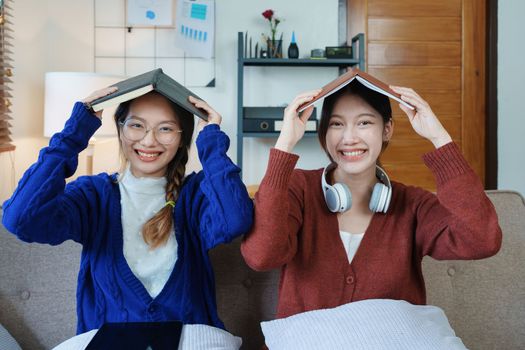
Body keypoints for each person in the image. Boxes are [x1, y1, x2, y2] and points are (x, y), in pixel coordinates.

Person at [240, 81, 502, 320]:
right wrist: (285, 144)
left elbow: (482, 240)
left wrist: (439, 138)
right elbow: (261, 256)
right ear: (323, 131)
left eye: (364, 123)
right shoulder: (299, 188)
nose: (349, 137)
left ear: (387, 129)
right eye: (336, 124)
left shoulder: (413, 204)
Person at [2, 87, 254, 334]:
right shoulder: (94, 195)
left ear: (181, 139)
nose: (148, 140)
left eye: (165, 128)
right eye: (136, 125)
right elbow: (20, 218)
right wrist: (74, 134)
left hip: (191, 341)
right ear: (120, 129)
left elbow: (236, 219)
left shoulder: (195, 195)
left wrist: (211, 140)